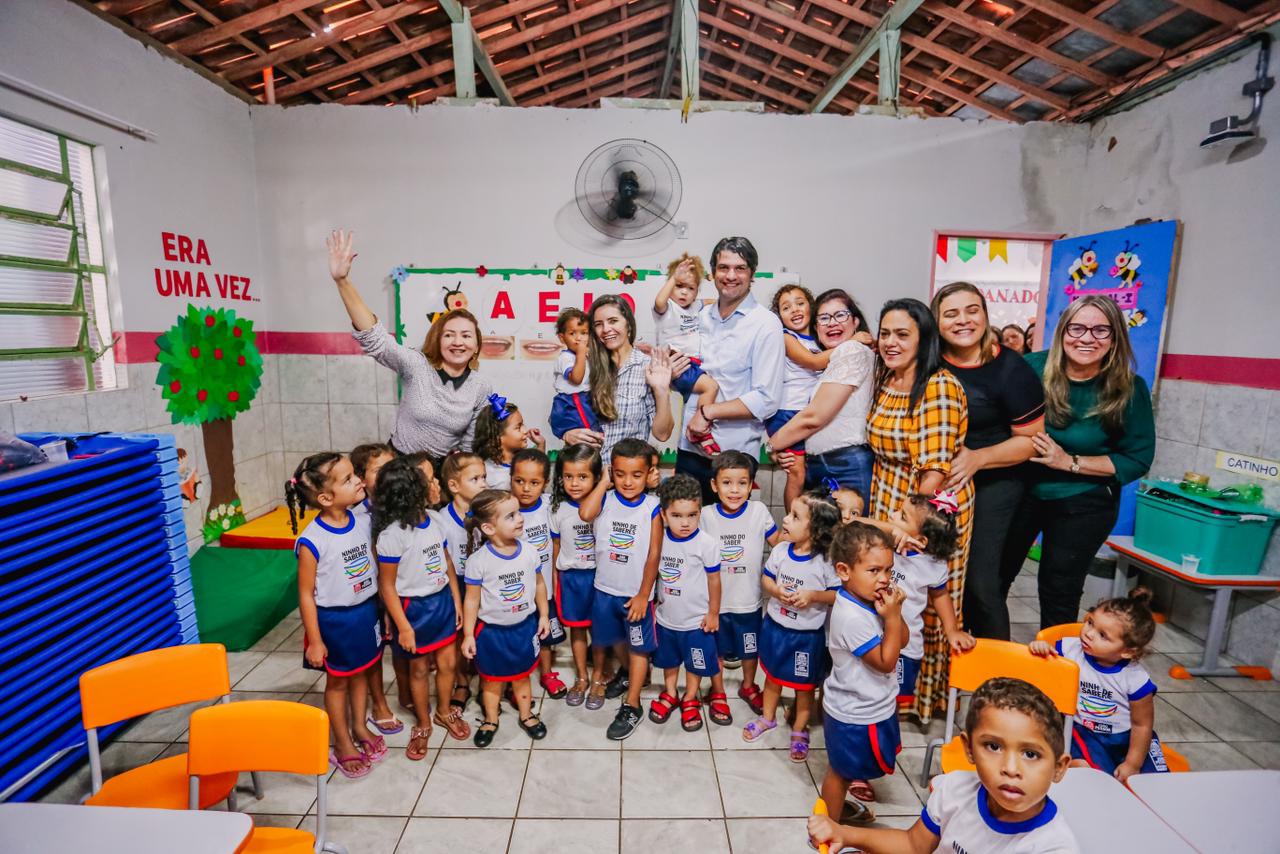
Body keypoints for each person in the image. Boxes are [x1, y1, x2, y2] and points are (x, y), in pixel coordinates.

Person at [1000, 295, 1154, 628]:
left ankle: (1056, 659)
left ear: (1115, 337)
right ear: (1063, 331)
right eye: (1078, 328)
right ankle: (989, 653)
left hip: (1084, 501)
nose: (1087, 338)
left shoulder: (1128, 388)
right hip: (1021, 491)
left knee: (1059, 591)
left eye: (1101, 330)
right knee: (992, 580)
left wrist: (1068, 461)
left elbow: (1136, 458)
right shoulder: (1030, 368)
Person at [808, 677, 1078, 853]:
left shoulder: (1052, 847)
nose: (1010, 768)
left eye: (1030, 754)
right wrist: (844, 833)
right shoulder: (955, 789)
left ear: (1059, 767)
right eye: (993, 747)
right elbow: (913, 845)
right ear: (969, 749)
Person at [866, 298, 973, 722]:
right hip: (889, 502)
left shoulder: (938, 387)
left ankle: (920, 702)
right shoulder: (889, 378)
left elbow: (934, 473)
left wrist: (907, 528)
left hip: (924, 512)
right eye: (885, 333)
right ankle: (880, 687)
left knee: (926, 602)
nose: (890, 342)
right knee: (890, 596)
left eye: (902, 334)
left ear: (924, 338)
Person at [932, 282, 1046, 640]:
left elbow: (1032, 442)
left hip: (996, 481)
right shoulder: (930, 361)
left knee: (980, 584)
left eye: (972, 310)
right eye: (951, 314)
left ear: (985, 314)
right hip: (941, 481)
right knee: (936, 577)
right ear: (936, 321)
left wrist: (979, 458)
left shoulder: (1012, 369)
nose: (963, 320)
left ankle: (996, 670)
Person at [327, 230, 490, 459]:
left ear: (476, 345)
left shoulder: (481, 387)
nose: (457, 342)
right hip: (400, 463)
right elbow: (376, 339)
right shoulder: (417, 365)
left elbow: (469, 445)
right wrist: (342, 281)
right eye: (449, 335)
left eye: (466, 335)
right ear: (438, 340)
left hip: (441, 470)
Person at [286, 453, 384, 779]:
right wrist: (315, 641)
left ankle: (359, 726)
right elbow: (305, 594)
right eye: (348, 479)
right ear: (326, 498)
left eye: (355, 474)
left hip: (365, 611)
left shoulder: (362, 519)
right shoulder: (312, 540)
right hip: (335, 621)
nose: (358, 480)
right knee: (339, 682)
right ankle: (342, 742)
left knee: (362, 672)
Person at [372, 457, 469, 759]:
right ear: (413, 492)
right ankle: (424, 722)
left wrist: (456, 600)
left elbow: (447, 562)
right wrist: (403, 626)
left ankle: (443, 710)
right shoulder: (392, 536)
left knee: (448, 663)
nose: (436, 483)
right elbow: (387, 585)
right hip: (413, 610)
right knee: (418, 669)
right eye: (430, 480)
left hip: (441, 602)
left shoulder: (436, 520)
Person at [675, 237, 785, 503]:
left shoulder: (766, 324)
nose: (731, 276)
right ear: (713, 272)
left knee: (725, 529)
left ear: (752, 274)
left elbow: (767, 399)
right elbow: (684, 374)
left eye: (740, 268)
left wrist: (707, 412)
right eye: (724, 267)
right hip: (689, 449)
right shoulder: (699, 317)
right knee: (682, 525)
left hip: (734, 455)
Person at [743, 491, 840, 764]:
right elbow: (766, 578)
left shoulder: (825, 562)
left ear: (816, 530)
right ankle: (768, 718)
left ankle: (799, 729)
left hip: (806, 638)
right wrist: (775, 590)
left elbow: (837, 595)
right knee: (772, 678)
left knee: (804, 687)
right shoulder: (780, 551)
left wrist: (813, 596)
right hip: (776, 629)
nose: (785, 519)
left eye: (795, 516)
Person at [1030, 588, 1167, 781]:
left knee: (1154, 781)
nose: (1089, 633)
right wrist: (1042, 649)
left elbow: (1142, 725)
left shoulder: (1135, 679)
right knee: (1095, 778)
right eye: (1090, 622)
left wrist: (1132, 763)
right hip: (1085, 732)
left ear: (1128, 651)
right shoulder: (1069, 650)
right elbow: (1045, 667)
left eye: (1103, 635)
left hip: (1129, 737)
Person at [820, 522, 906, 825]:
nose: (884, 579)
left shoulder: (871, 601)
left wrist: (894, 616)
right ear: (844, 571)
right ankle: (827, 828)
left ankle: (834, 812)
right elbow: (885, 662)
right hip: (853, 714)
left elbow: (901, 640)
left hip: (870, 704)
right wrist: (892, 618)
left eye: (889, 570)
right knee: (840, 773)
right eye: (874, 571)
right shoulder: (852, 617)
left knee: (847, 770)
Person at [578, 438, 663, 739]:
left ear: (649, 474)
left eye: (636, 475)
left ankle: (633, 704)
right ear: (611, 471)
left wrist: (643, 595)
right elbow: (585, 514)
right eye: (620, 474)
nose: (628, 482)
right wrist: (603, 483)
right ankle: (629, 676)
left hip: (635, 594)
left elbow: (654, 554)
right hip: (605, 589)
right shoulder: (605, 499)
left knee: (638, 648)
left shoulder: (653, 506)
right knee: (614, 639)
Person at [863, 492, 977, 707]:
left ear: (922, 540)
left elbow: (941, 595)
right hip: (871, 636)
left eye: (902, 516)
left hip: (904, 647)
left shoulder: (931, 565)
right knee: (869, 691)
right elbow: (854, 524)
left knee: (893, 700)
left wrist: (952, 630)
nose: (892, 515)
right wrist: (892, 529)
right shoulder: (883, 543)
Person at [767, 288, 876, 505]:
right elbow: (813, 363)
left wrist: (772, 445)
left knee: (847, 529)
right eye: (825, 318)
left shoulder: (851, 351)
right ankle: (791, 525)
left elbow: (813, 418)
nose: (832, 323)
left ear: (855, 321)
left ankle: (791, 524)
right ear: (817, 326)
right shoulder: (824, 355)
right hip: (818, 455)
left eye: (840, 315)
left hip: (845, 464)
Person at [460, 489, 550, 747]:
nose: (520, 518)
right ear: (488, 528)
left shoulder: (530, 551)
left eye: (518, 512)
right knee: (491, 680)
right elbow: (471, 600)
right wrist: (468, 634)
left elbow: (539, 584)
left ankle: (527, 715)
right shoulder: (478, 561)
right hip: (492, 633)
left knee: (522, 677)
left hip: (524, 629)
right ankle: (490, 719)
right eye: (511, 516)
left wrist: (544, 615)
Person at [700, 451, 780, 720]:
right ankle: (718, 691)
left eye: (742, 483)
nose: (734, 490)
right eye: (727, 483)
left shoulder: (759, 511)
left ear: (750, 485)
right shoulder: (705, 515)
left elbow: (778, 545)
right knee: (717, 651)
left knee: (749, 649)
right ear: (714, 485)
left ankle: (748, 686)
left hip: (748, 601)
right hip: (716, 604)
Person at [647, 474, 723, 733]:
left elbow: (714, 581)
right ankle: (670, 693)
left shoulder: (707, 544)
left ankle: (690, 696)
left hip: (696, 622)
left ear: (700, 512)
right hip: (667, 618)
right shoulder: (659, 539)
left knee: (695, 662)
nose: (685, 522)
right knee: (669, 660)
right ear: (664, 515)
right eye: (677, 516)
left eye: (692, 515)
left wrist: (713, 613)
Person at [349, 443, 405, 733]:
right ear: (361, 479)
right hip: (372, 594)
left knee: (401, 645)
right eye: (379, 470)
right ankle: (379, 703)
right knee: (374, 651)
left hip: (401, 589)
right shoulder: (359, 517)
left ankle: (406, 692)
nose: (387, 475)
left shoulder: (401, 507)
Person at [430, 451, 488, 714]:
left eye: (484, 477)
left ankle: (490, 681)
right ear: (453, 485)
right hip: (458, 585)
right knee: (458, 635)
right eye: (475, 479)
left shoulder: (487, 511)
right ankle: (462, 682)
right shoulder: (442, 520)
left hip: (484, 584)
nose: (483, 483)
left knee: (484, 631)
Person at [584, 295, 677, 460]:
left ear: (628, 324)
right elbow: (565, 409)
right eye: (598, 324)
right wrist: (567, 432)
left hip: (627, 472)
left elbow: (662, 434)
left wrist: (662, 390)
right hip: (590, 471)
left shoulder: (648, 367)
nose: (605, 329)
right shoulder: (587, 366)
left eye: (613, 321)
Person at [510, 448, 568, 699]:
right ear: (510, 479)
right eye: (519, 481)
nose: (525, 488)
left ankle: (547, 673)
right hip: (516, 591)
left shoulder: (550, 506)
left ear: (544, 483)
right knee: (518, 635)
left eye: (534, 483)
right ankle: (514, 680)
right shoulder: (505, 508)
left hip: (546, 589)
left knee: (545, 635)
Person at [549, 443, 603, 707]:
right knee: (578, 630)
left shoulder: (605, 504)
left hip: (599, 579)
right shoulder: (557, 508)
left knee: (600, 630)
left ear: (596, 477)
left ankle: (599, 677)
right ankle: (582, 676)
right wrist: (554, 580)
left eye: (582, 476)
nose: (574, 483)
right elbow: (556, 548)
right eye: (568, 476)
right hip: (571, 580)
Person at [765, 285, 827, 511]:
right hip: (787, 413)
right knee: (797, 473)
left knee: (807, 472)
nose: (795, 310)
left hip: (806, 412)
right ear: (779, 316)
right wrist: (852, 344)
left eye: (800, 303)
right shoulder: (786, 337)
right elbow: (813, 362)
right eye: (786, 307)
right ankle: (792, 522)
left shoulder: (818, 340)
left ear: (811, 306)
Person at [548, 308, 600, 439]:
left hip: (584, 399)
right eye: (572, 333)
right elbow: (576, 379)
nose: (579, 338)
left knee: (593, 434)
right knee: (589, 435)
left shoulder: (586, 355)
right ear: (562, 338)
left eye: (584, 333)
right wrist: (581, 352)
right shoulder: (565, 358)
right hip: (572, 402)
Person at [475, 394, 545, 490]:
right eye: (518, 427)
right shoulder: (486, 473)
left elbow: (537, 470)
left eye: (523, 425)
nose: (525, 430)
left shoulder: (523, 459)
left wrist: (541, 444)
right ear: (498, 436)